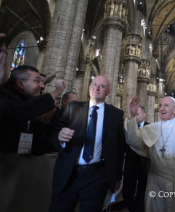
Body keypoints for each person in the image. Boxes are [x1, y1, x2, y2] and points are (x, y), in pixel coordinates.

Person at [50, 76, 125, 211]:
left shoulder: (116, 114)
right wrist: (60, 137)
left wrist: (117, 177)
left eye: (102, 86)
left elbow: (119, 148)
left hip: (97, 175)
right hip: (69, 173)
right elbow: (55, 133)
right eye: (94, 84)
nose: (96, 88)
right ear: (89, 88)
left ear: (108, 92)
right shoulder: (73, 107)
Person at [125, 96, 175, 212]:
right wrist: (132, 117)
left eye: (166, 105)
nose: (162, 108)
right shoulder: (151, 129)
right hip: (156, 182)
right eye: (160, 105)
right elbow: (133, 141)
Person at [0, 65, 65, 154]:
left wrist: (44, 121)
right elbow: (20, 111)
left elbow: (32, 134)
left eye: (41, 82)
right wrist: (57, 91)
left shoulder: (24, 97)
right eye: (37, 81)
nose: (42, 86)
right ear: (20, 84)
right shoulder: (3, 95)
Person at [123, 105, 150, 212]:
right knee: (126, 193)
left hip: (144, 167)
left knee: (142, 194)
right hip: (129, 166)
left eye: (137, 114)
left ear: (144, 115)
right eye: (134, 115)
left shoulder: (150, 127)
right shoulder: (128, 126)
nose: (135, 117)